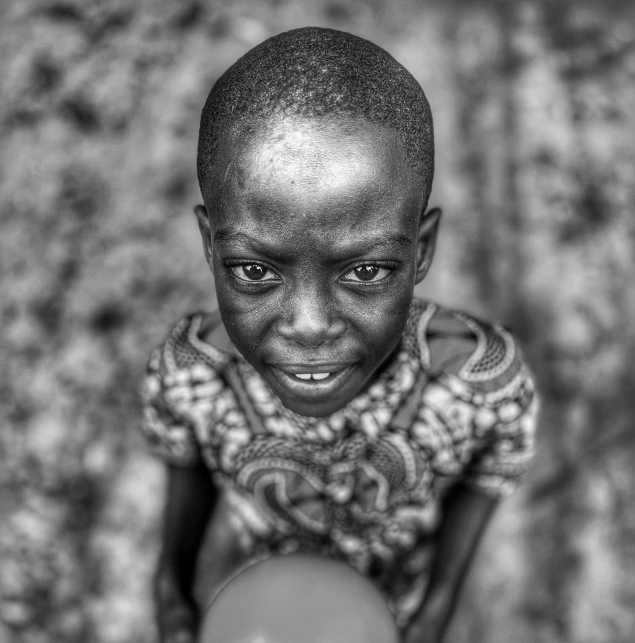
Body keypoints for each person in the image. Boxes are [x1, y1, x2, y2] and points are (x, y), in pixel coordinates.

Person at [141, 26, 539, 643]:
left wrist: (436, 609)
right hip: (248, 601)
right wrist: (171, 589)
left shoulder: (482, 379)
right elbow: (185, 460)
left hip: (398, 605)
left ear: (421, 249)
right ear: (209, 245)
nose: (308, 326)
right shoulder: (189, 370)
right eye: (254, 270)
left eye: (365, 271)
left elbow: (492, 470)